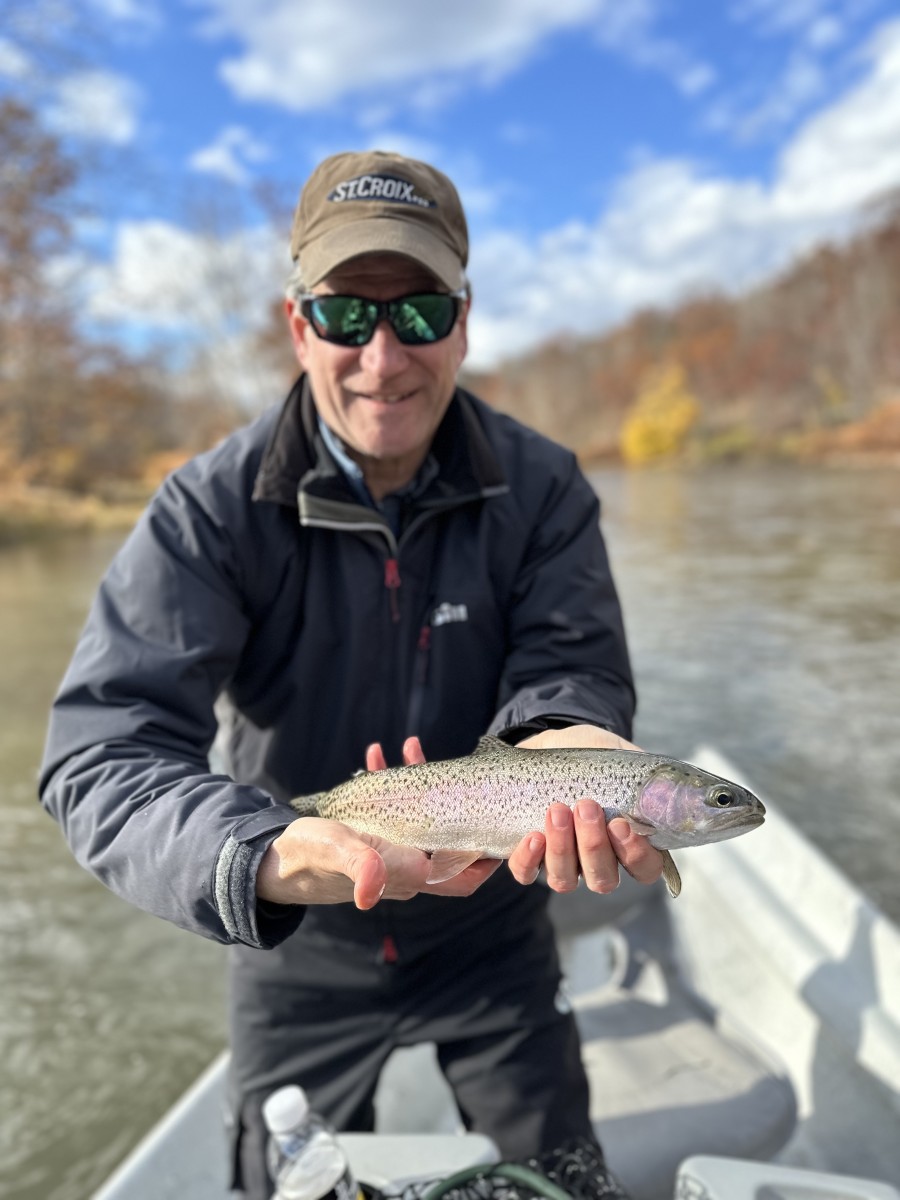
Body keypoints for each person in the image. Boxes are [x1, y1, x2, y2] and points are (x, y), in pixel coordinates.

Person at [39, 149, 664, 1198]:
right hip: (299, 945)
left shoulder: (548, 490)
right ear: (298, 327)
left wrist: (570, 739)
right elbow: (100, 756)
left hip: (495, 933)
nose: (384, 358)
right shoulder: (208, 511)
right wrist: (265, 852)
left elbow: (573, 669)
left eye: (418, 314)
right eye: (346, 317)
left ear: (463, 321)